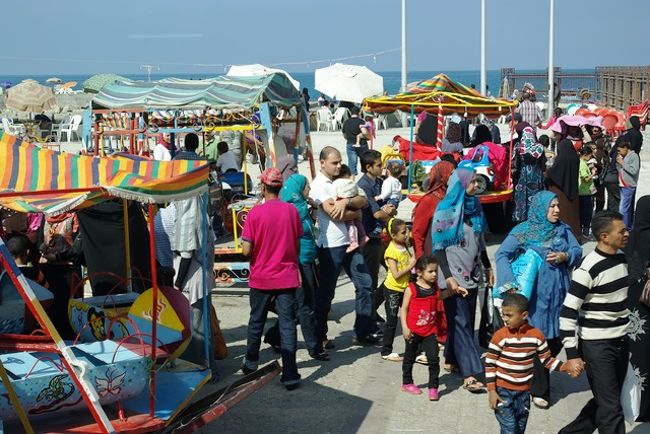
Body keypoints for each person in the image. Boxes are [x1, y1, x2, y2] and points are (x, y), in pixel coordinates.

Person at [495, 191, 582, 409]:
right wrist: (510, 283)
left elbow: (577, 250)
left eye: (558, 206)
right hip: (537, 297)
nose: (557, 210)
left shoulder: (563, 229)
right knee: (539, 338)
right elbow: (501, 254)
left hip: (560, 294)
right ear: (540, 209)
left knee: (559, 337)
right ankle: (540, 390)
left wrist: (565, 256)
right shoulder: (523, 231)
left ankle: (530, 375)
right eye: (552, 206)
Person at [559, 210, 630, 434]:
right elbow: (567, 312)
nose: (627, 234)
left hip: (621, 341)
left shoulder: (621, 257)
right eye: (622, 231)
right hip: (597, 347)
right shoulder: (587, 269)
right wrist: (572, 355)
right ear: (604, 237)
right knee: (611, 409)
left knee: (607, 400)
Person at [431, 166, 493, 393]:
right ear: (461, 184)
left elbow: (480, 240)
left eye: (477, 181)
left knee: (463, 320)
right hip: (452, 275)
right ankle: (470, 374)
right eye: (473, 182)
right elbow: (438, 248)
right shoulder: (445, 210)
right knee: (461, 322)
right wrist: (448, 277)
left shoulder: (475, 206)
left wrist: (487, 266)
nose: (477, 185)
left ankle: (451, 358)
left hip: (472, 273)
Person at [309, 147, 379, 346]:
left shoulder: (341, 180)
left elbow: (363, 199)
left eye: (340, 161)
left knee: (365, 284)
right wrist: (356, 213)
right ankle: (319, 336)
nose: (339, 166)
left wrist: (348, 200)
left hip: (351, 243)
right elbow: (334, 214)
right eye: (334, 163)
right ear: (322, 162)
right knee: (327, 292)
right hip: (331, 245)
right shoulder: (319, 186)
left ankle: (362, 332)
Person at [240, 168, 302, 390]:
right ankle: (290, 373)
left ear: (263, 187)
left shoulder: (255, 213)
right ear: (280, 187)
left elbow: (246, 250)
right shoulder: (291, 211)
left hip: (261, 277)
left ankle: (251, 362)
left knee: (257, 320)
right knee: (287, 325)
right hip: (286, 276)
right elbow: (296, 244)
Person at [263, 173, 329, 361]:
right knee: (306, 305)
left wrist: (312, 208)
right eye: (307, 186)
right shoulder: (293, 211)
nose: (309, 189)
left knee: (297, 305)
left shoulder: (301, 207)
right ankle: (314, 347)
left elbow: (309, 230)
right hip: (299, 262)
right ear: (298, 189)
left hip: (307, 259)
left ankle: (274, 336)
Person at [486, 293, 568, 434]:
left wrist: (567, 367)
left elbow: (547, 360)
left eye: (509, 315)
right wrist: (492, 391)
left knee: (520, 428)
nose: (504, 319)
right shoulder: (499, 336)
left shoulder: (537, 336)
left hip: (524, 393)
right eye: (503, 314)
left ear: (524, 315)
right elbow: (490, 364)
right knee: (509, 429)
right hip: (503, 392)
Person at [400, 255, 456, 401]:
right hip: (413, 331)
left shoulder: (434, 287)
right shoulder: (412, 289)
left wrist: (452, 291)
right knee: (409, 358)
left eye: (435, 271)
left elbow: (439, 297)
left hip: (430, 331)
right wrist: (405, 327)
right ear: (419, 272)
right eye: (430, 271)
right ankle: (407, 383)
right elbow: (404, 309)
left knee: (433, 359)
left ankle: (433, 387)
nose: (434, 274)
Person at [357, 150, 396, 326]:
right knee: (370, 279)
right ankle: (368, 316)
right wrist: (392, 220)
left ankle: (372, 309)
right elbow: (377, 213)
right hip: (369, 237)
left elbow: (389, 205)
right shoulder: (363, 186)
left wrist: (390, 209)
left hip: (381, 235)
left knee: (393, 272)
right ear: (368, 167)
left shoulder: (380, 182)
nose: (382, 168)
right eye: (379, 165)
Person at [625, 196, 650, 421]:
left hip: (633, 308)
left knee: (636, 356)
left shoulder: (630, 238)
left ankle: (634, 405)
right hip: (646, 308)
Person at [380, 218, 417, 362]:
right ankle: (386, 351)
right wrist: (411, 265)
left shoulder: (404, 245)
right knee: (392, 321)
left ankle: (415, 349)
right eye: (403, 232)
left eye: (407, 230)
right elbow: (395, 274)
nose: (407, 234)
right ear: (393, 235)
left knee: (410, 318)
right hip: (393, 290)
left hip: (405, 288)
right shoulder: (391, 251)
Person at [546, 139, 581, 238]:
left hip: (560, 191)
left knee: (561, 214)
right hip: (573, 190)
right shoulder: (576, 158)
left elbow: (553, 173)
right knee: (572, 216)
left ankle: (561, 236)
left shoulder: (561, 158)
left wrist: (547, 171)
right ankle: (575, 236)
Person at [512, 126, 546, 222]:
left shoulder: (518, 147)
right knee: (535, 198)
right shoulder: (539, 147)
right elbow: (543, 164)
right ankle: (535, 218)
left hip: (522, 177)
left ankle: (521, 218)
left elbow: (515, 164)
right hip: (536, 176)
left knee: (522, 198)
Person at [333, 168, 369, 253]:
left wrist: (335, 202)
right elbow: (363, 194)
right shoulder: (352, 183)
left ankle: (353, 242)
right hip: (354, 204)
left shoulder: (335, 183)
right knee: (358, 222)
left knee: (350, 224)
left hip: (343, 204)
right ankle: (363, 236)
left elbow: (333, 195)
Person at [617, 139, 639, 229]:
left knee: (623, 208)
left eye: (620, 150)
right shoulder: (624, 156)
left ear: (625, 148)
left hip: (628, 185)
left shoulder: (634, 156)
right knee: (625, 208)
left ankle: (624, 227)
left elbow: (634, 170)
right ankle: (627, 226)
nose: (619, 152)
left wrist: (623, 163)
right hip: (622, 184)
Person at [341, 106, 370, 175]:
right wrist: (368, 137)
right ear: (359, 113)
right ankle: (366, 179)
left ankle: (352, 179)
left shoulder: (346, 122)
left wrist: (349, 139)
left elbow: (344, 135)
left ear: (351, 113)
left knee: (352, 165)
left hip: (350, 144)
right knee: (365, 164)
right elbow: (364, 132)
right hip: (362, 144)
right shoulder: (361, 121)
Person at [578, 146, 597, 239]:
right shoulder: (582, 164)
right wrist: (593, 174)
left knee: (584, 212)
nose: (590, 158)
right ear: (585, 154)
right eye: (590, 156)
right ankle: (585, 233)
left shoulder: (582, 162)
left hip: (584, 191)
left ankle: (584, 232)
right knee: (587, 213)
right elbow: (585, 179)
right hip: (585, 192)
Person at [604, 135, 626, 212]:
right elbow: (619, 168)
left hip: (608, 177)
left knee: (611, 200)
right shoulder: (620, 154)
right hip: (615, 178)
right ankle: (615, 216)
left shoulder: (614, 151)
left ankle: (610, 215)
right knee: (619, 200)